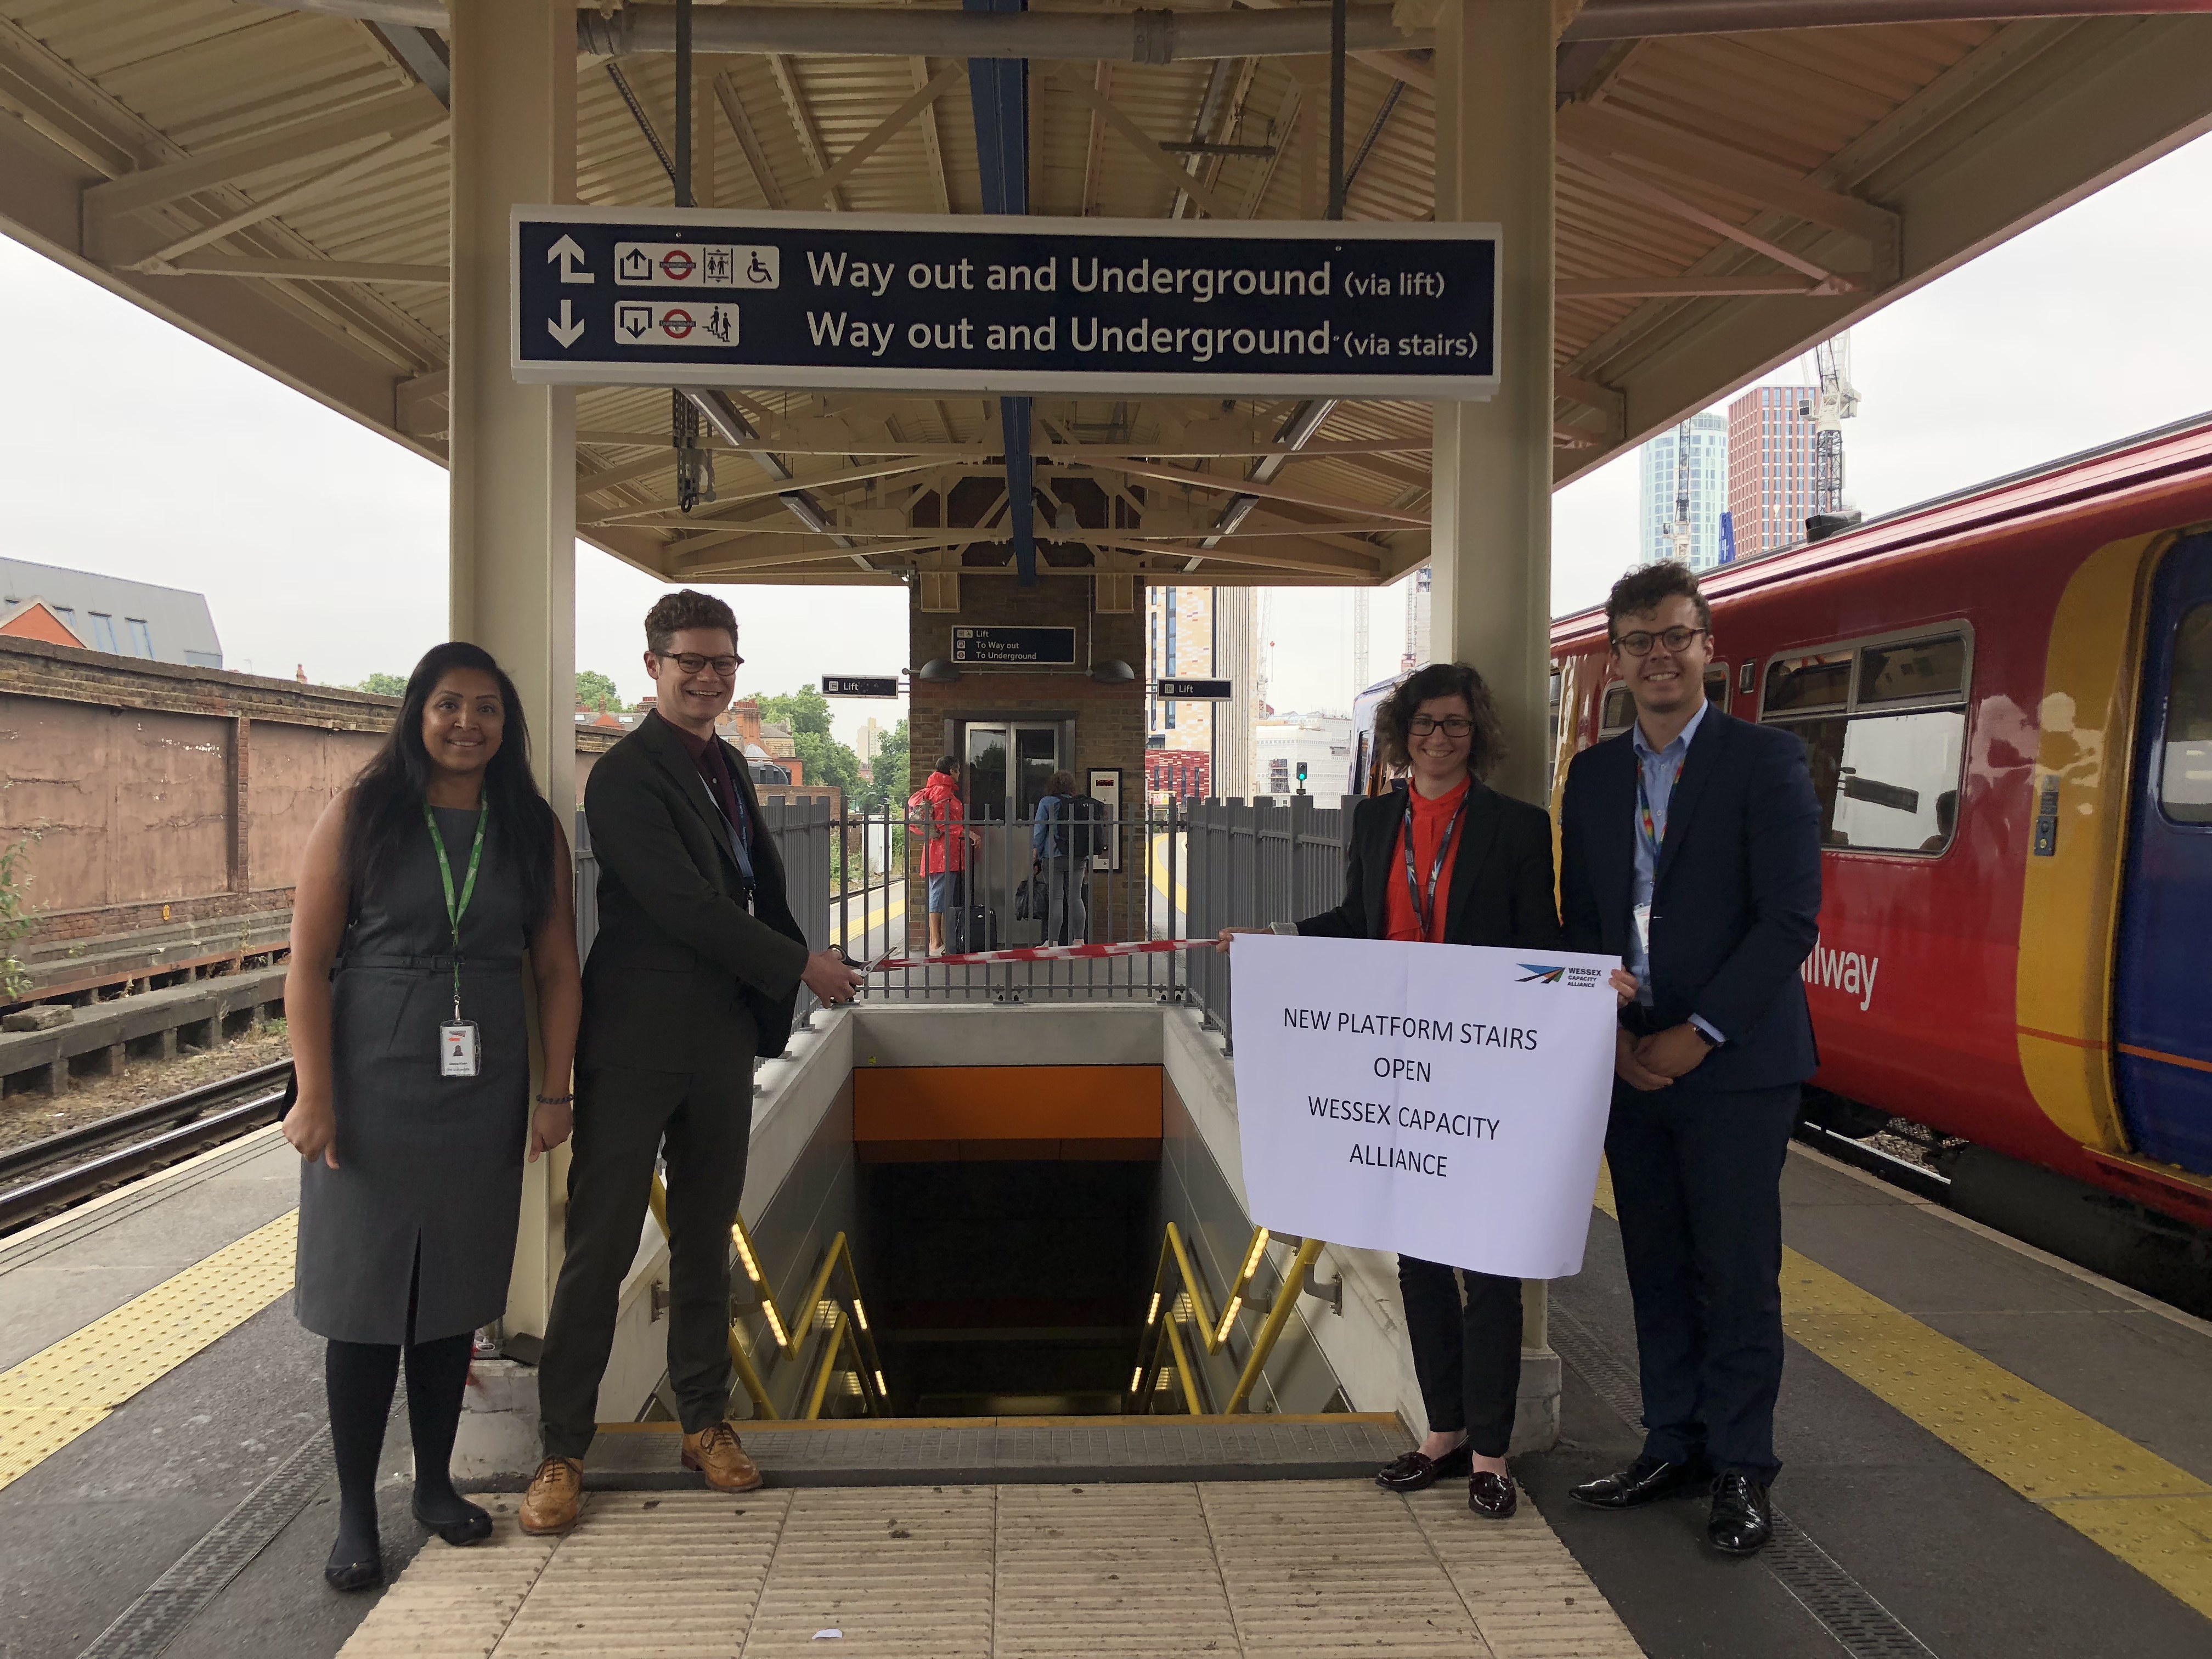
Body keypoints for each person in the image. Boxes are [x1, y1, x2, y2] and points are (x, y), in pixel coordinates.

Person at [1218, 663, 1629, 1520]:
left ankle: (1491, 1453)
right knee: (1420, 1263)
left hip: (1476, 1069)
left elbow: (1537, 938)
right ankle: (1441, 1435)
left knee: (1489, 1264)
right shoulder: (1375, 819)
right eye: (1424, 725)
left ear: (1476, 734)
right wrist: (1277, 939)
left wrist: (1584, 982)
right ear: (1402, 736)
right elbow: (1355, 922)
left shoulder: (1515, 826)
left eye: (1455, 725)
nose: (1438, 739)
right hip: (1398, 1063)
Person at [520, 590, 864, 1534]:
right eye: (691, 661)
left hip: (715, 1036)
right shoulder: (624, 779)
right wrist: (801, 965)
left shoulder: (725, 766)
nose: (708, 676)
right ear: (652, 666)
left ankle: (704, 1419)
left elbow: (752, 888)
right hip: (633, 1041)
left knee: (708, 1235)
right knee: (600, 1246)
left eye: (723, 663)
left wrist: (786, 980)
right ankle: (561, 1448)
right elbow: (684, 904)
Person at [283, 642, 582, 1592]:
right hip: (369, 1080)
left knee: (452, 1295)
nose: (467, 723)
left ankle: (436, 1485)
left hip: (480, 1080)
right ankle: (356, 1509)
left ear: (507, 725)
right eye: (448, 705)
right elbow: (302, 963)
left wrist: (554, 1088)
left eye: (487, 708)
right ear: (417, 713)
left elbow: (557, 969)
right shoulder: (364, 811)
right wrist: (315, 1091)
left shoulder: (529, 828)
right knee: (365, 1304)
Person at [1559, 561, 1822, 1556]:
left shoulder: (1766, 761)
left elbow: (1788, 915)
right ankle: (1673, 1440)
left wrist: (1697, 1030)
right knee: (1656, 1261)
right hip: (1625, 1058)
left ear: (1706, 648)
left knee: (1738, 1270)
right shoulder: (1591, 775)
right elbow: (1580, 917)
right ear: (1617, 659)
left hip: (1737, 1066)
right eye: (1638, 640)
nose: (1657, 655)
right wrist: (1610, 1029)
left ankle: (1744, 1466)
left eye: (1675, 635)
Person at [912, 755, 974, 956]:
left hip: (937, 850)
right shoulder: (943, 793)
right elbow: (945, 824)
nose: (959, 774)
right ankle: (936, 942)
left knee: (938, 893)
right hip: (945, 852)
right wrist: (969, 833)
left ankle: (936, 941)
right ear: (953, 771)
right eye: (958, 770)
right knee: (939, 895)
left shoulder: (933, 790)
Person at [1031, 769, 1090, 946]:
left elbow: (1040, 830)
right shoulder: (1078, 803)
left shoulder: (1047, 803)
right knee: (1075, 897)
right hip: (1078, 857)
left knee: (1056, 898)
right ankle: (1079, 939)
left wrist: (1036, 852)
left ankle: (1053, 941)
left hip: (1053, 856)